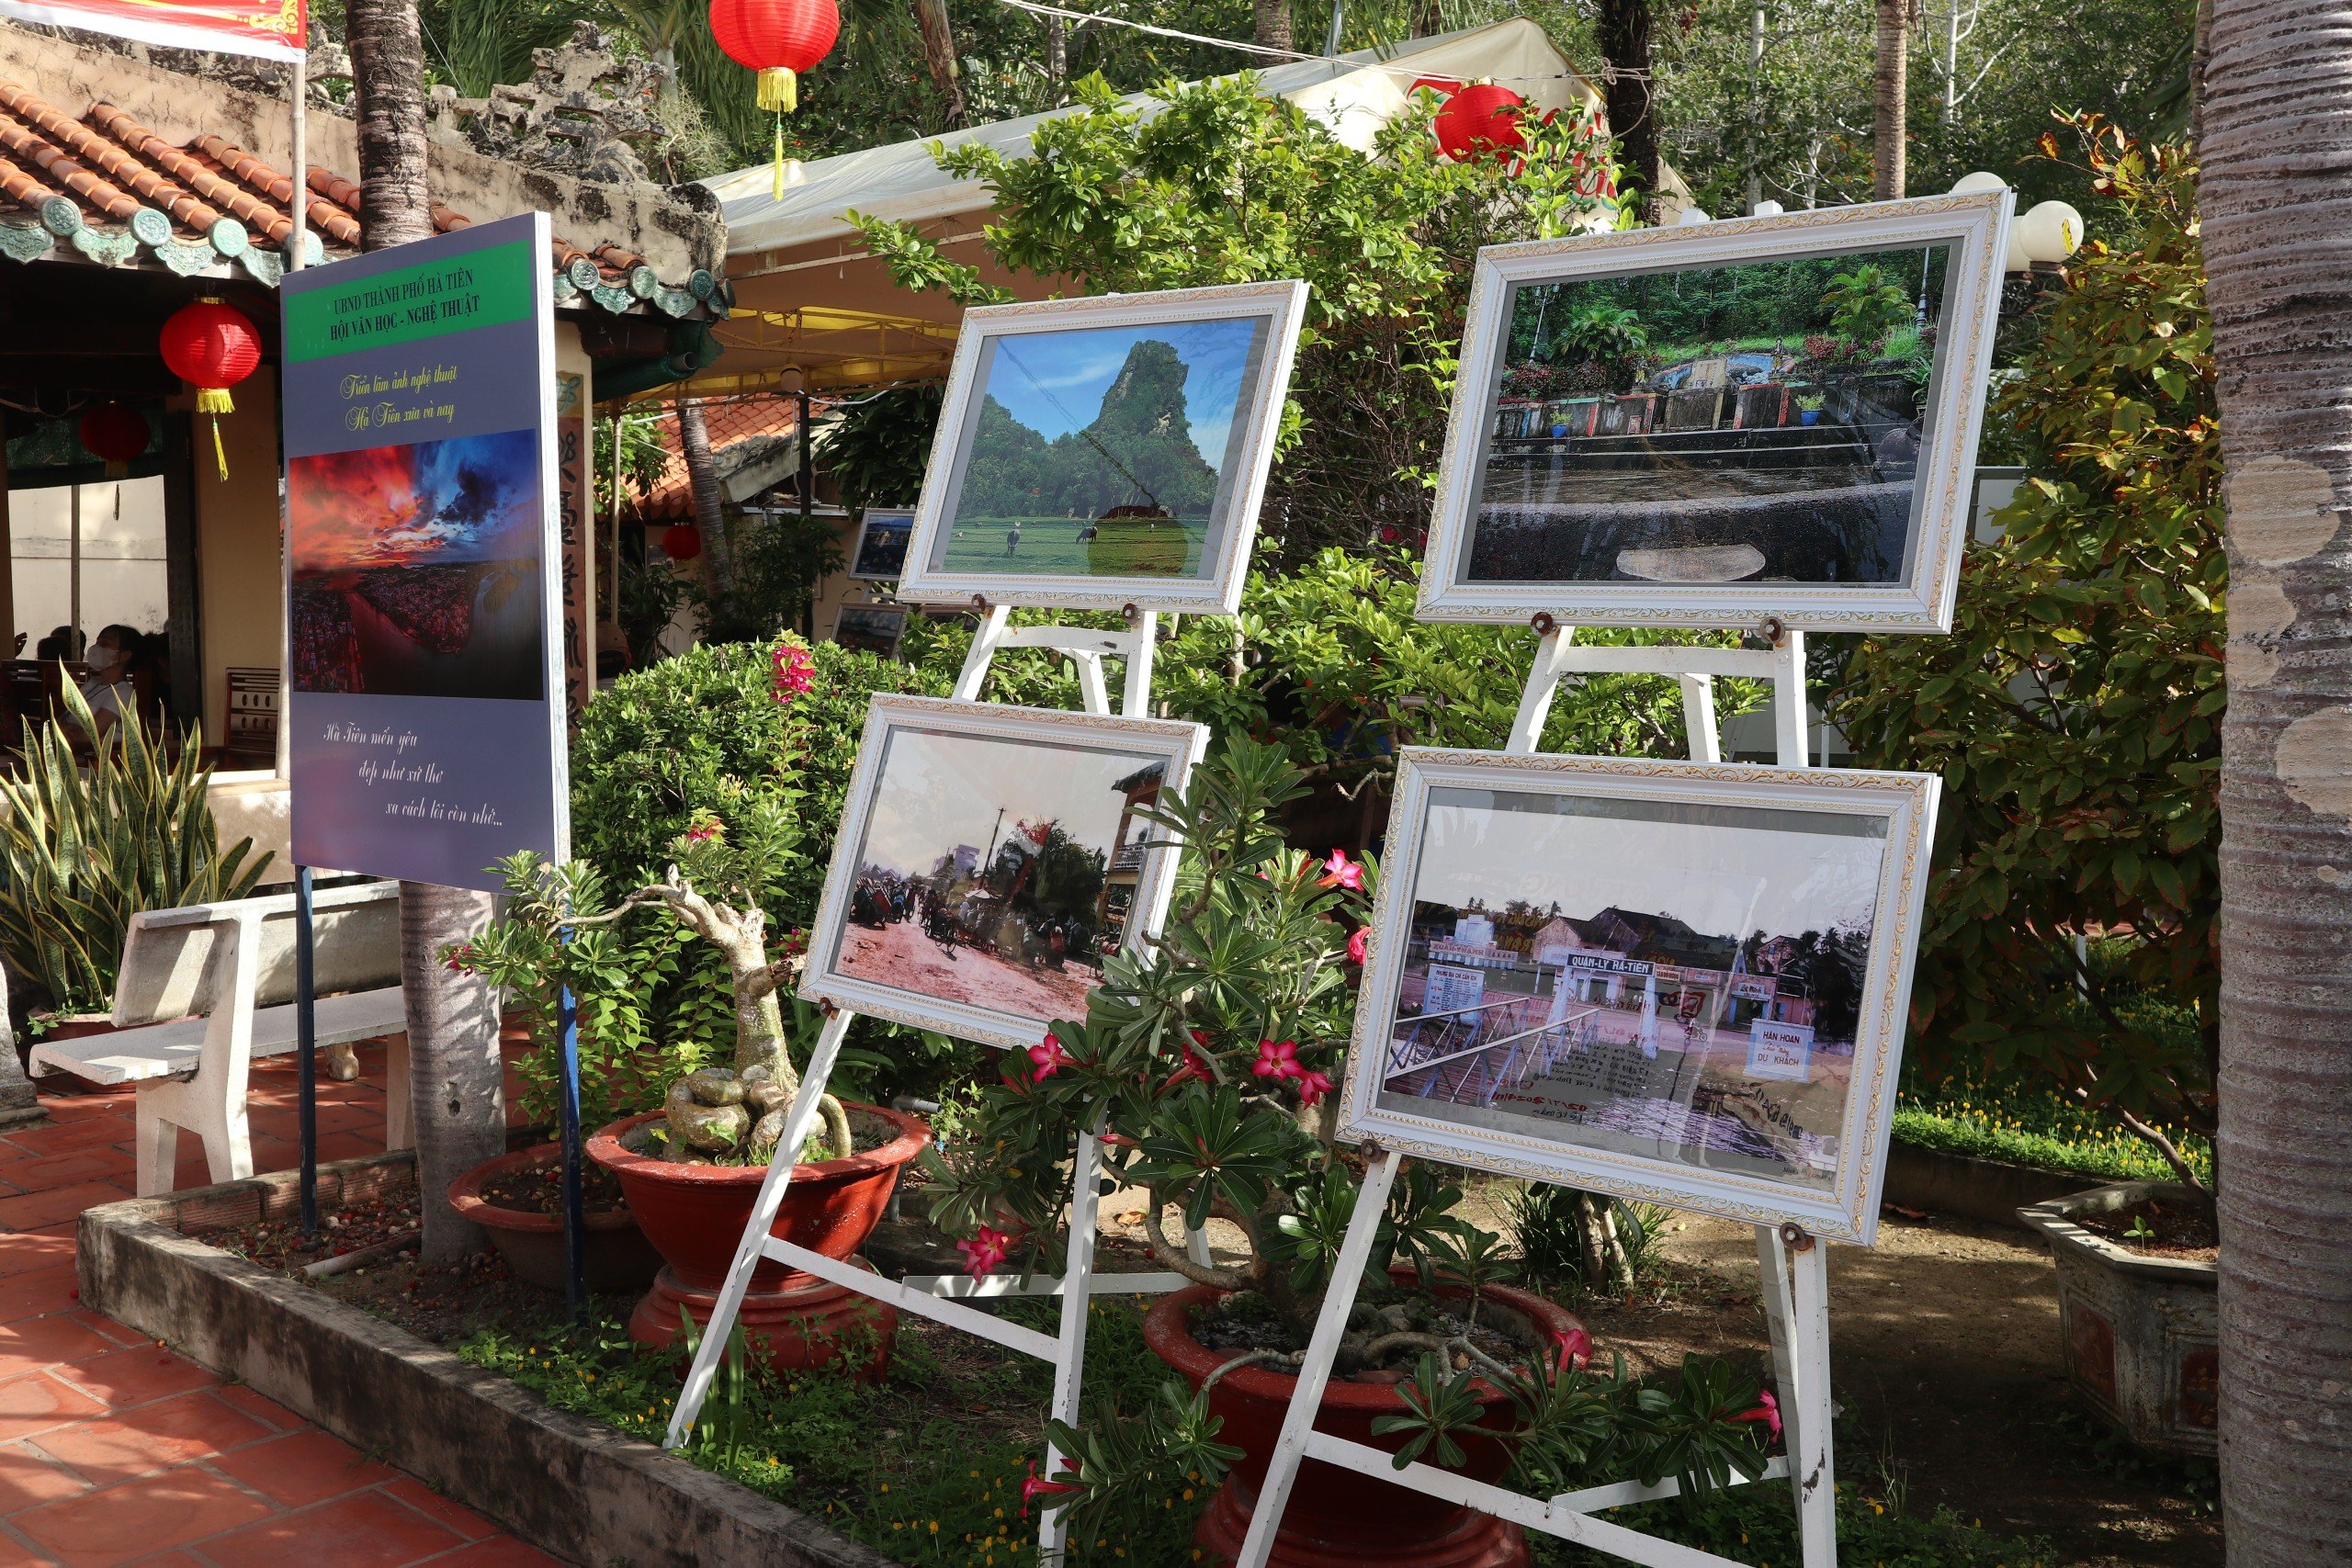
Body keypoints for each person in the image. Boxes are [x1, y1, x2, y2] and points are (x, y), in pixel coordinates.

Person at [77, 625, 142, 740]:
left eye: (104, 644)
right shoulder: (92, 683)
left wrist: (69, 731)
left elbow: (86, 736)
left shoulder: (124, 693)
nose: (95, 649)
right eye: (97, 643)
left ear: (125, 655)